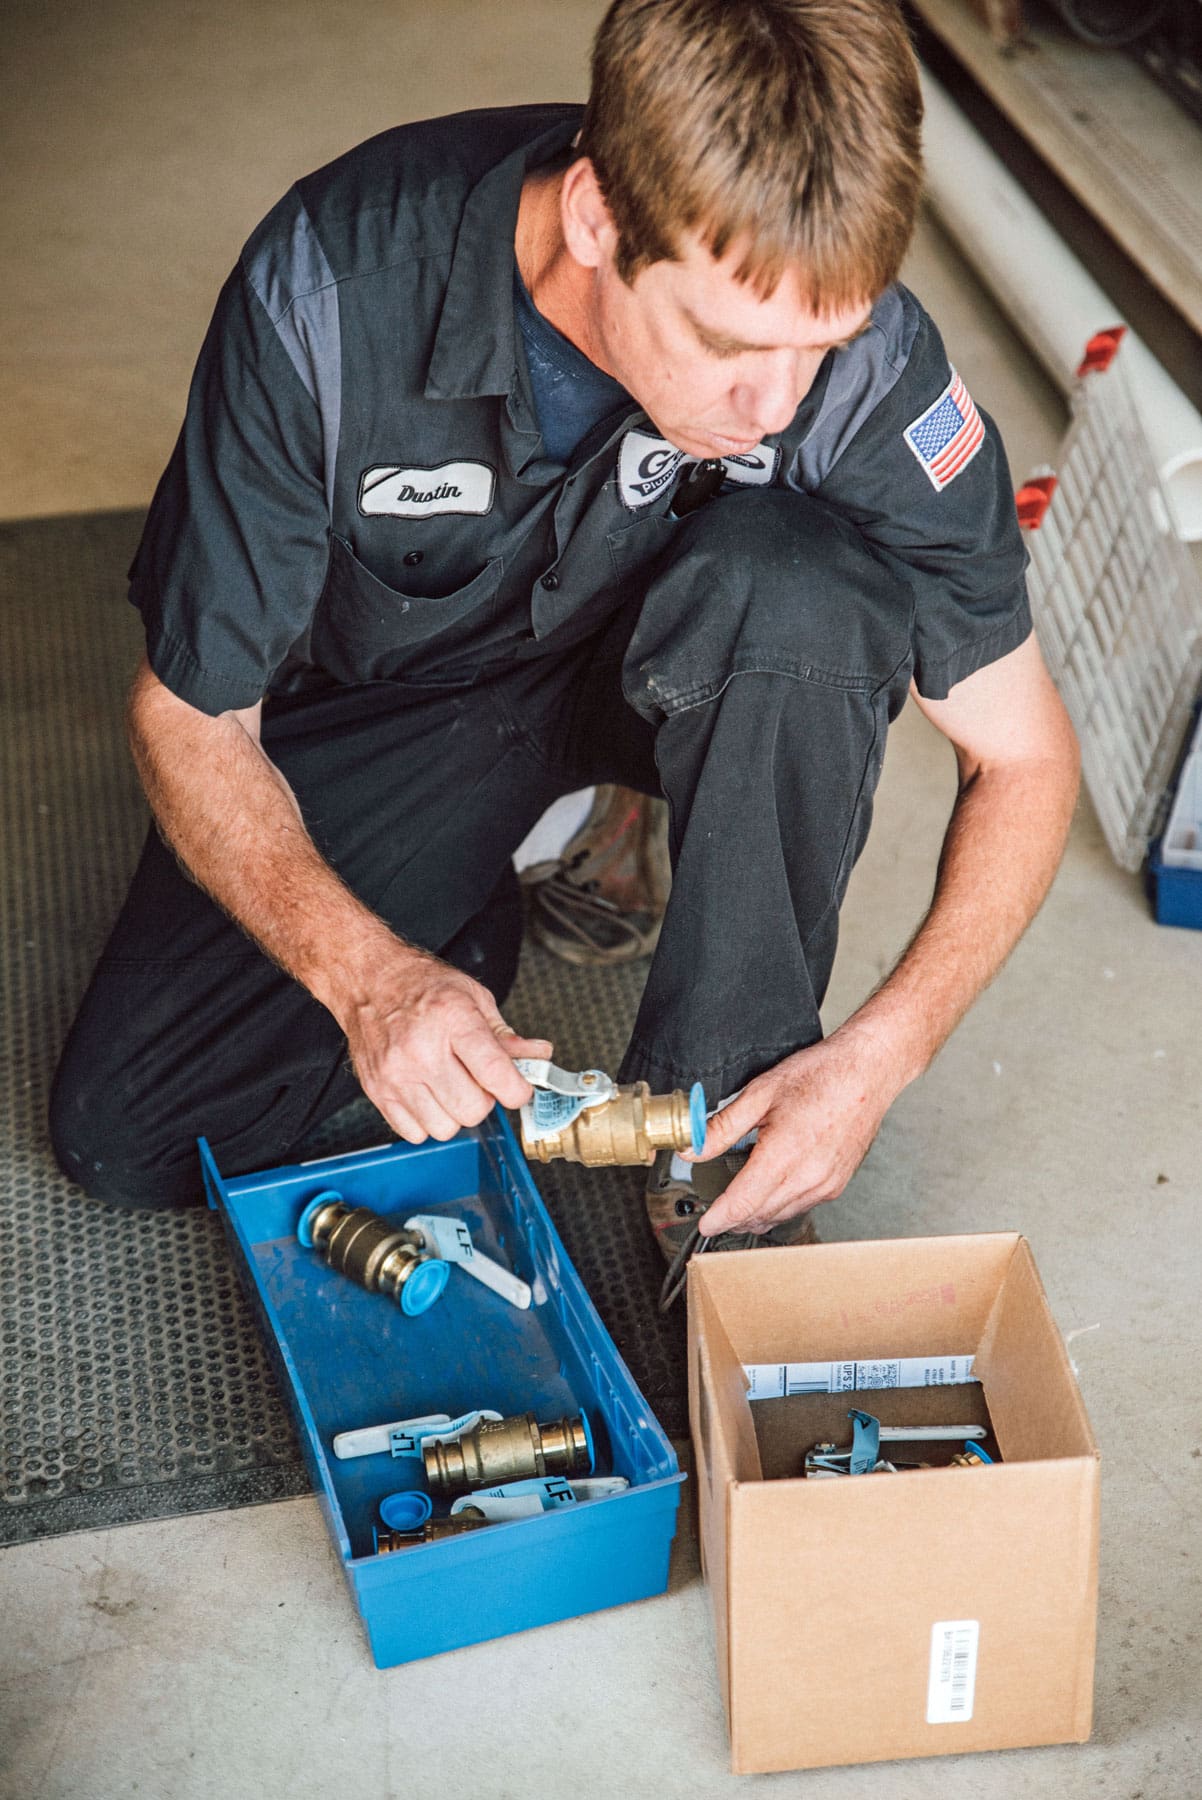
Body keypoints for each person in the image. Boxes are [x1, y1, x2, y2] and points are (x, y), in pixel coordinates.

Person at [49, 0, 1079, 1301]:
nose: (777, 402)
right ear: (595, 218)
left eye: (817, 344)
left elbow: (1025, 759)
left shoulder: (861, 367)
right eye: (725, 342)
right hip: (403, 706)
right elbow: (191, 718)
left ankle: (718, 1132)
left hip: (675, 658)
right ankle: (504, 861)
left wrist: (884, 1050)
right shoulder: (327, 294)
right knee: (135, 1129)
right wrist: (368, 978)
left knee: (808, 593)